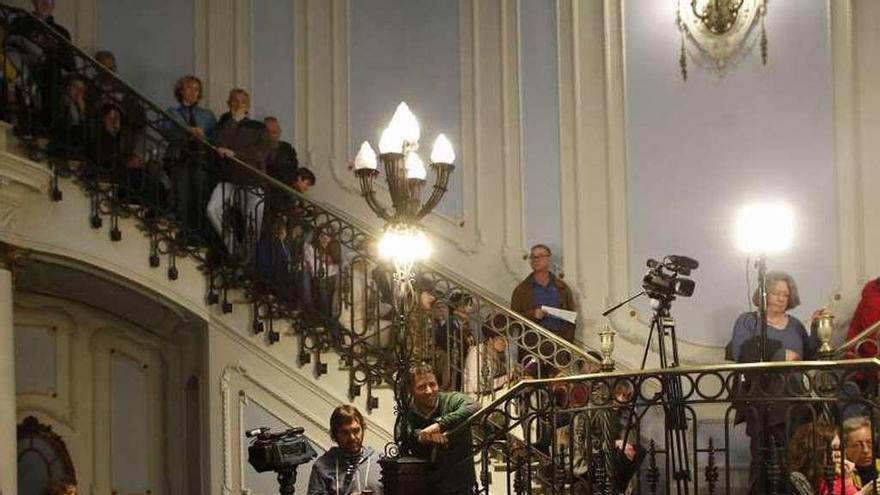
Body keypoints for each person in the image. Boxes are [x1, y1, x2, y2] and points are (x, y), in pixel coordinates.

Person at [728, 271, 819, 494]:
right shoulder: (748, 321)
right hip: (761, 402)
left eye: (785, 294)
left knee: (795, 458)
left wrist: (817, 329)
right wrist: (780, 356)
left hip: (794, 402)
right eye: (776, 293)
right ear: (764, 293)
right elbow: (742, 353)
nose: (781, 298)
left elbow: (808, 357)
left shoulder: (796, 325)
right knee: (762, 460)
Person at [206, 88, 271, 258]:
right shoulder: (224, 125)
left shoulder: (259, 127)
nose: (238, 104)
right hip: (230, 179)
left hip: (253, 182)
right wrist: (234, 120)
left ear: (248, 106)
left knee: (253, 224)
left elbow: (261, 152)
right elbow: (218, 142)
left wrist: (235, 153)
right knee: (212, 209)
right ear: (229, 104)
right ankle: (235, 250)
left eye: (243, 102)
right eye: (235, 101)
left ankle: (248, 261)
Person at [404, 362, 479, 494]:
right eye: (421, 387)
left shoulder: (451, 400)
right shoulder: (407, 412)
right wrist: (424, 437)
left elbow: (474, 407)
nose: (429, 391)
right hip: (428, 488)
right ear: (411, 390)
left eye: (432, 384)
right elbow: (404, 435)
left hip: (460, 486)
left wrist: (439, 425)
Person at [163, 74, 217, 240]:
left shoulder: (207, 115)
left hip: (201, 159)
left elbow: (215, 138)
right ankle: (184, 232)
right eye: (189, 88)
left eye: (196, 89)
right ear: (181, 91)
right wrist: (187, 131)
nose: (193, 92)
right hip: (180, 157)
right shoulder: (172, 112)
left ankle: (198, 234)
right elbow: (167, 130)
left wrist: (203, 137)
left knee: (201, 193)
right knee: (182, 193)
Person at [8, 0, 74, 136]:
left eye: (51, 0)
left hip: (52, 80)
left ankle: (50, 126)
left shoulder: (62, 33)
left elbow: (69, 65)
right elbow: (11, 48)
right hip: (25, 71)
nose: (46, 2)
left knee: (52, 69)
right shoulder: (21, 23)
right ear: (34, 2)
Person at [307, 405, 383, 495]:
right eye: (345, 432)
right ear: (335, 435)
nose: (352, 437)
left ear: (362, 429)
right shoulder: (321, 467)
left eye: (356, 430)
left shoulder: (381, 461)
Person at [510, 244, 576, 342]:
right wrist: (533, 315)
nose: (536, 260)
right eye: (533, 257)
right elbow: (513, 319)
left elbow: (572, 319)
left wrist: (568, 342)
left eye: (540, 256)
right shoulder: (521, 290)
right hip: (532, 344)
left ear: (548, 259)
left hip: (559, 344)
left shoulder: (562, 288)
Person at [788, 421, 875, 495]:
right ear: (816, 451)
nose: (838, 454)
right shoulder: (799, 478)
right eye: (833, 449)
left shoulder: (837, 476)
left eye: (839, 449)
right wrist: (864, 491)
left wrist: (847, 480)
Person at [462, 323, 510, 401]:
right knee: (509, 395)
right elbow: (478, 386)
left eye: (506, 339)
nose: (506, 344)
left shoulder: (499, 354)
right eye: (502, 340)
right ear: (490, 340)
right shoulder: (477, 352)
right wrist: (506, 378)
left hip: (491, 394)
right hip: (476, 398)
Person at [846, 277, 880, 358]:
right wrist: (850, 352)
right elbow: (855, 327)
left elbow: (854, 328)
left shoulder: (868, 296)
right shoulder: (869, 296)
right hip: (868, 360)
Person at [844, 416, 880, 489]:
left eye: (869, 442)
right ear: (845, 448)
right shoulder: (842, 473)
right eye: (857, 445)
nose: (865, 450)